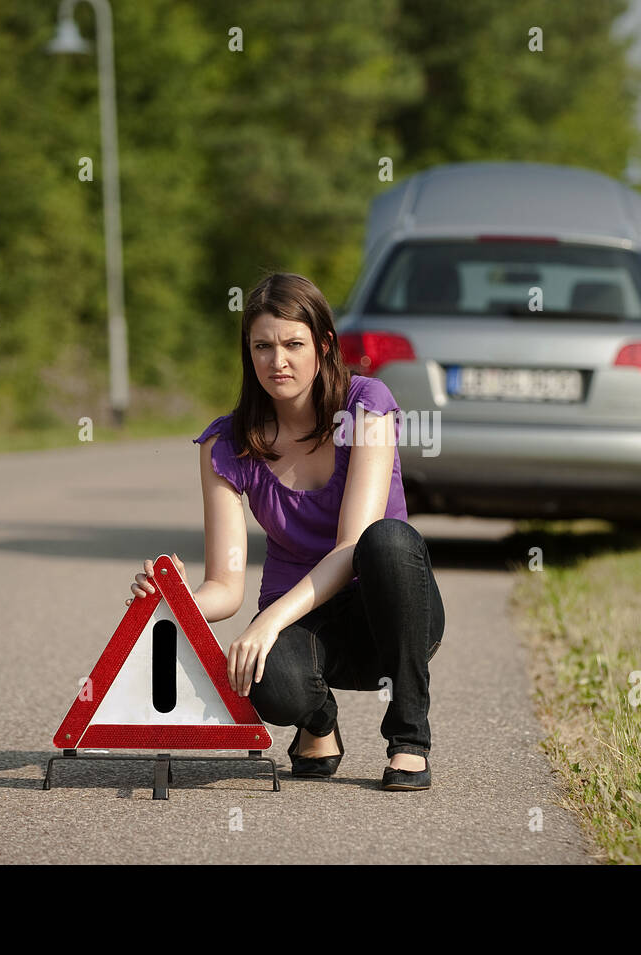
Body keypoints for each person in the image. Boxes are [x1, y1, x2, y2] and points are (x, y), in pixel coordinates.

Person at [126, 272, 445, 791]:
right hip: (306, 620)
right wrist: (173, 599)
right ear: (248, 353)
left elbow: (352, 546)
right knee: (268, 681)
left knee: (386, 539)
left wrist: (267, 622)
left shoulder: (366, 405)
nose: (278, 361)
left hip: (390, 616)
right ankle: (318, 722)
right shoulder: (226, 444)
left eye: (294, 344)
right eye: (263, 346)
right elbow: (225, 587)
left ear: (324, 346)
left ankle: (409, 738)